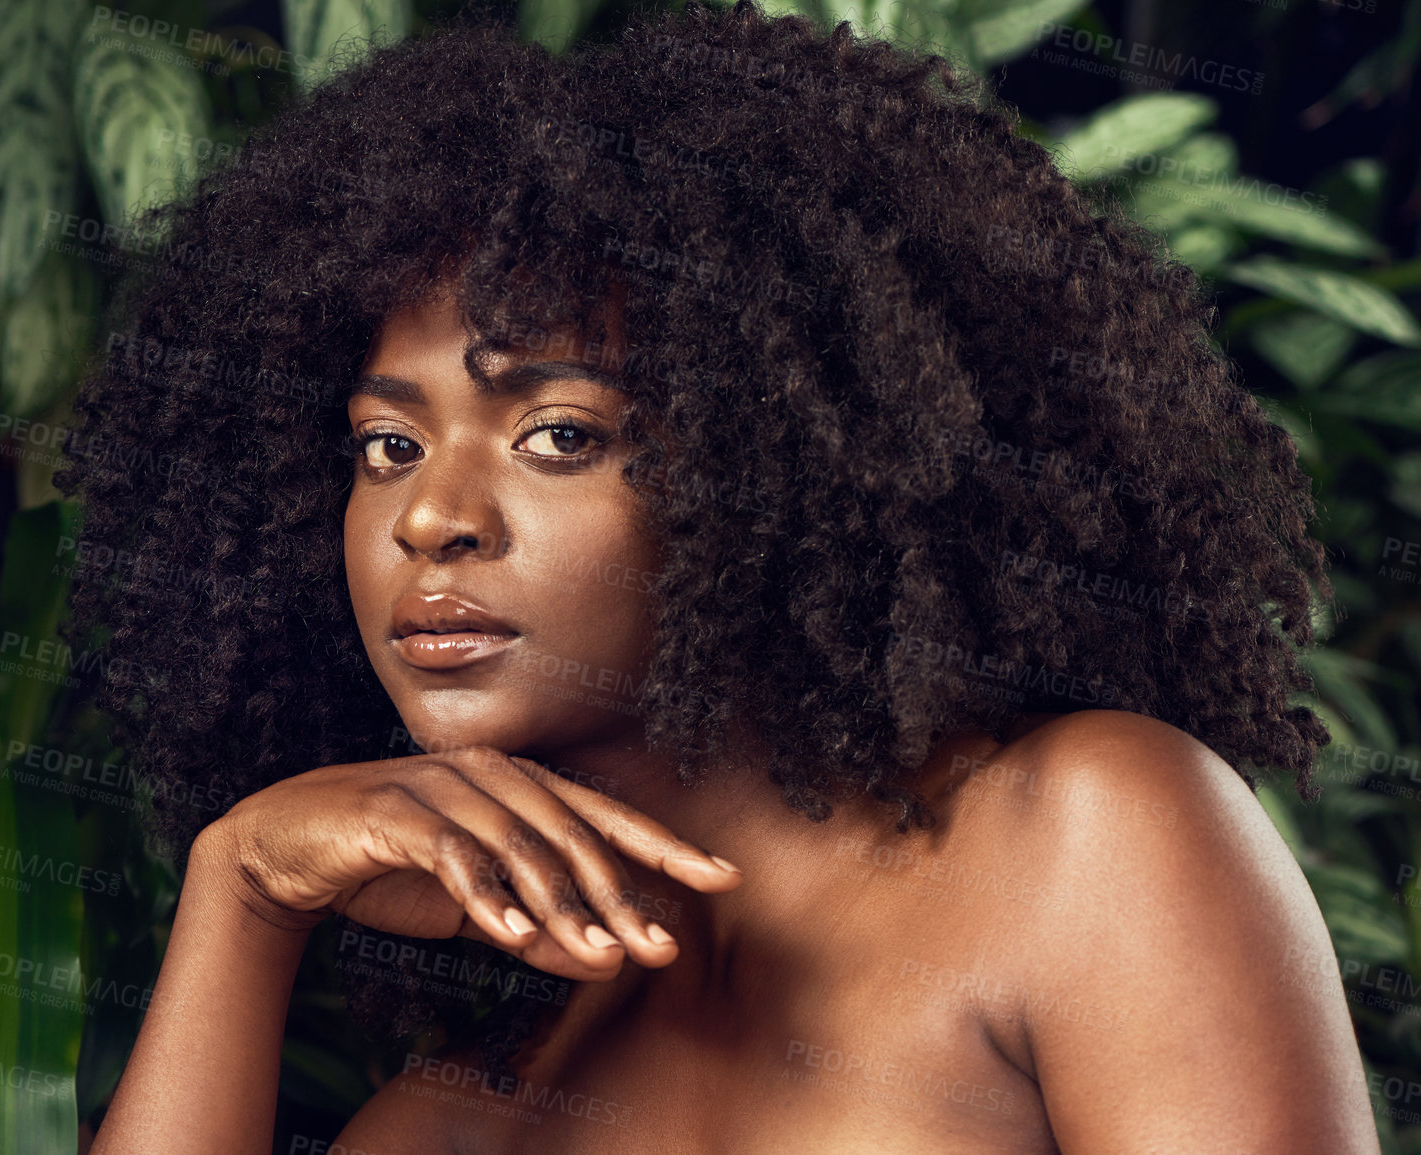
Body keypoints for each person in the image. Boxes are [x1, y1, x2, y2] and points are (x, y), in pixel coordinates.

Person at [67, 2, 1376, 1150]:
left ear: (780, 460)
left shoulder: (1082, 841)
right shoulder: (481, 1109)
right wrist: (242, 892)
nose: (433, 519)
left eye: (559, 436)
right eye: (385, 446)